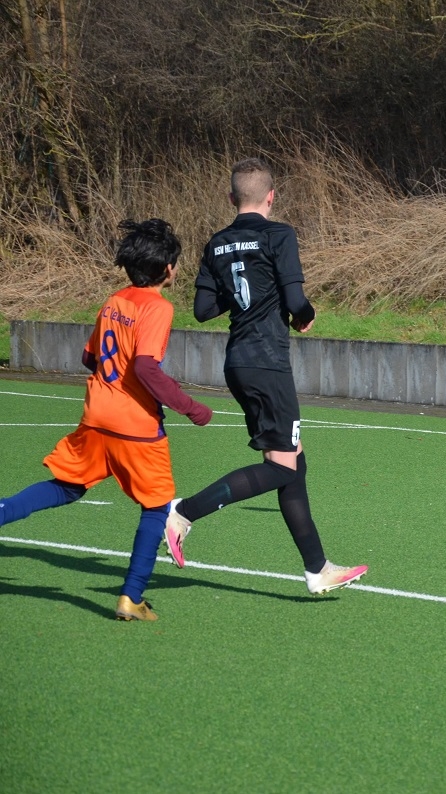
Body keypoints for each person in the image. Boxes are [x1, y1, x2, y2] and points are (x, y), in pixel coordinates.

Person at [163, 157, 367, 594]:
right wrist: (305, 315)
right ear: (271, 196)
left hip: (238, 362)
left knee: (294, 461)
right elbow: (296, 301)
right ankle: (183, 512)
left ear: (231, 198)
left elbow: (203, 310)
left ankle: (317, 568)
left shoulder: (217, 242)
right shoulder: (279, 235)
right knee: (281, 469)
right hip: (267, 363)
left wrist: (245, 293)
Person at [0, 219, 213, 620]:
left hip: (97, 416)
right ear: (168, 269)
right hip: (136, 427)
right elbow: (146, 368)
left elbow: (90, 357)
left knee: (67, 487)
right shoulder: (159, 307)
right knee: (156, 507)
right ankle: (131, 597)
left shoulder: (115, 301)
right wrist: (191, 407)